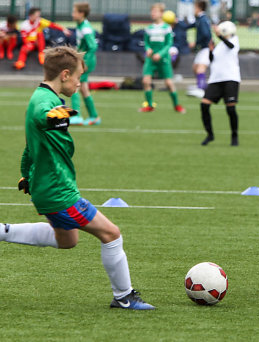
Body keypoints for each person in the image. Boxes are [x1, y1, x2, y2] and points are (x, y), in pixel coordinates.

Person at [0, 46, 154, 310]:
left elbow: (30, 145)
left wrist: (26, 175)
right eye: (78, 77)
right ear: (65, 74)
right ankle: (124, 297)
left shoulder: (45, 96)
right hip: (59, 192)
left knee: (68, 240)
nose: (80, 82)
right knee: (112, 234)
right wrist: (52, 118)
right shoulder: (44, 103)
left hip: (49, 186)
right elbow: (41, 117)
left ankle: (2, 231)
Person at [139, 3, 186, 113]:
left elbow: (169, 44)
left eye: (155, 11)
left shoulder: (167, 28)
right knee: (146, 81)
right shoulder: (149, 28)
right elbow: (146, 42)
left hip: (163, 58)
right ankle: (149, 105)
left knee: (169, 83)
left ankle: (176, 105)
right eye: (152, 11)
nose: (153, 14)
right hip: (151, 59)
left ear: (161, 13)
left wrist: (160, 54)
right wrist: (148, 49)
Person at [200, 21, 240, 146]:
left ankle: (234, 136)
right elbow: (213, 60)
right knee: (204, 105)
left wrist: (220, 37)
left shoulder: (234, 40)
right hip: (215, 79)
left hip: (230, 79)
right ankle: (210, 134)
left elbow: (230, 46)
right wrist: (211, 50)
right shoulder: (219, 45)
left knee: (230, 109)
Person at [69, 2, 100, 126]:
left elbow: (93, 46)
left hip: (86, 61)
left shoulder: (85, 28)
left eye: (74, 11)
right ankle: (94, 116)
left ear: (81, 13)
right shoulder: (81, 25)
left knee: (74, 84)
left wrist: (84, 62)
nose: (72, 14)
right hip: (84, 60)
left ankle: (76, 116)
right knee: (83, 88)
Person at [187, 0, 212, 98]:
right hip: (202, 48)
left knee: (200, 69)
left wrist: (196, 43)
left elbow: (206, 34)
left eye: (194, 7)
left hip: (206, 48)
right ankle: (201, 86)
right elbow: (190, 26)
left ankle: (201, 90)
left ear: (198, 8)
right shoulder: (200, 19)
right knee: (195, 67)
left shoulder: (203, 19)